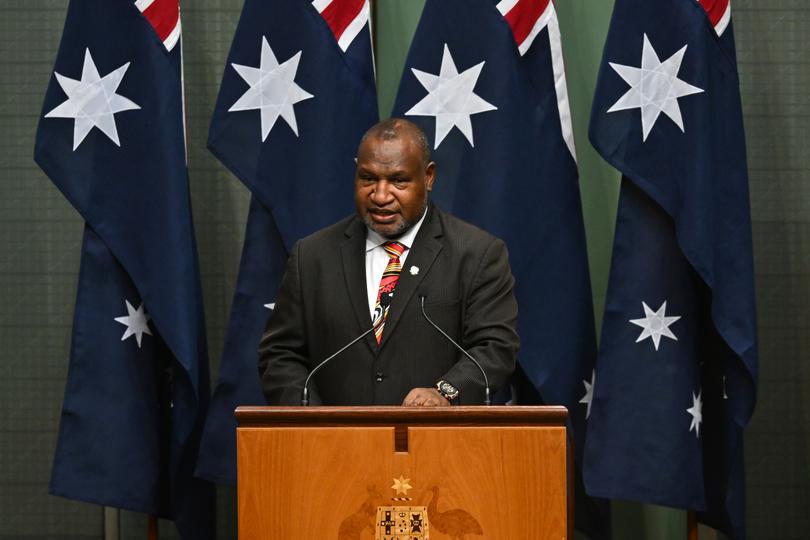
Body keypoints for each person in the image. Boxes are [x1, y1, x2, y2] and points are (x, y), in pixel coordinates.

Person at [258, 118, 518, 406]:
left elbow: (495, 348)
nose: (380, 196)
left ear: (429, 177)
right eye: (368, 179)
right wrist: (316, 419)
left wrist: (446, 392)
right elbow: (281, 354)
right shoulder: (312, 256)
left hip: (438, 443)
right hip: (334, 445)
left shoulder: (477, 254)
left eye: (398, 181)